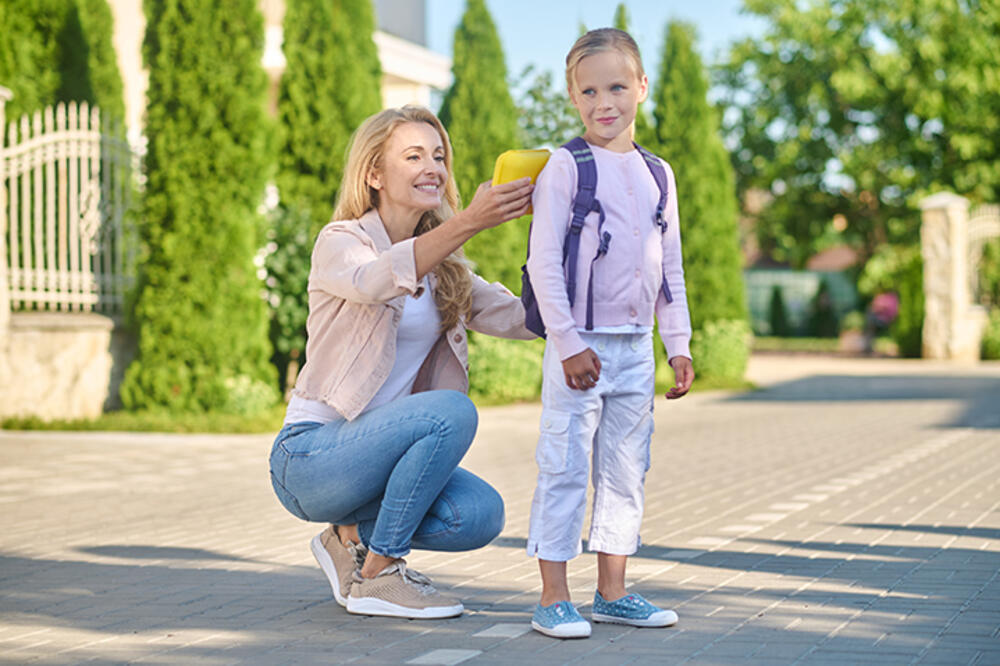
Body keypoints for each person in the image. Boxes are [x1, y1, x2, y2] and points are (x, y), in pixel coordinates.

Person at [269, 106, 535, 620]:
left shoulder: (446, 272)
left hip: (374, 464)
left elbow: (522, 319)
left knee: (478, 514)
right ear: (374, 174)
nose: (432, 166)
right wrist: (469, 221)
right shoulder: (341, 242)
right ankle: (380, 573)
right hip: (308, 460)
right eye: (413, 156)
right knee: (451, 412)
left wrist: (556, 242)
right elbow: (374, 280)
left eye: (438, 156)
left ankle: (347, 538)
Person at [524, 28, 695, 638]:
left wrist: (677, 343)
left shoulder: (659, 173)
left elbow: (668, 265)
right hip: (580, 348)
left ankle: (613, 592)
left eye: (617, 86)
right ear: (573, 98)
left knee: (626, 471)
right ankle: (552, 598)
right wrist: (567, 343)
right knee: (565, 466)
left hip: (633, 349)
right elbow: (544, 262)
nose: (605, 102)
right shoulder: (565, 167)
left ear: (641, 87)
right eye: (589, 90)